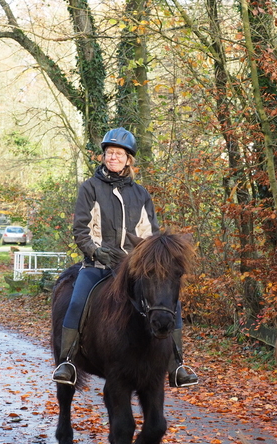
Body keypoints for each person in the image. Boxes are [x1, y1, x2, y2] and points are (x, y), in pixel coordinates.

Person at [51, 127, 199, 388]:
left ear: (129, 159)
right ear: (103, 157)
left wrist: (140, 259)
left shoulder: (140, 194)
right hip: (97, 264)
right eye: (109, 153)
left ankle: (176, 365)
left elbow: (149, 234)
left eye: (119, 154)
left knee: (169, 303)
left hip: (132, 267)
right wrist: (95, 250)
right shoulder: (90, 188)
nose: (113, 158)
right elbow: (80, 229)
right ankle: (68, 361)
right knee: (77, 302)